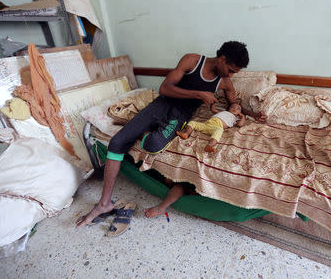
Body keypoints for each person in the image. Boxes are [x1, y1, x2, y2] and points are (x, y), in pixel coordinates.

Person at [76, 41, 265, 227]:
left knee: (153, 145)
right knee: (117, 142)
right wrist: (199, 94)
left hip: (179, 116)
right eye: (231, 70)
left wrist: (254, 115)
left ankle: (140, 129)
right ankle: (104, 204)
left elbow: (234, 106)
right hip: (161, 105)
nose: (231, 75)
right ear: (222, 59)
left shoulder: (224, 82)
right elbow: (165, 88)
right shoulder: (192, 61)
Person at [176, 102, 245, 152]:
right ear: (228, 109)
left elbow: (240, 124)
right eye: (232, 107)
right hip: (207, 125)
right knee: (192, 122)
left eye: (238, 108)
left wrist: (242, 116)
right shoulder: (223, 112)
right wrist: (213, 103)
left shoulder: (235, 118)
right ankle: (186, 134)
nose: (234, 109)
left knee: (219, 131)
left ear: (240, 112)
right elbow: (213, 110)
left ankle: (209, 145)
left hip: (216, 127)